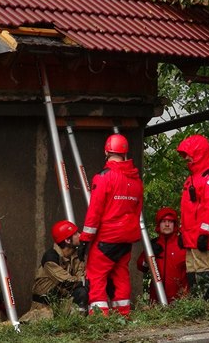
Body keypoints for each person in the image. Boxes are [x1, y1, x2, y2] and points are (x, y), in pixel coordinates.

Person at [78, 134, 143, 316]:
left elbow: (94, 212)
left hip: (106, 238)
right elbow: (136, 211)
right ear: (125, 153)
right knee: (121, 275)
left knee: (96, 277)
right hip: (126, 238)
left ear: (106, 151)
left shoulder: (103, 177)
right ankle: (123, 314)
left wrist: (85, 240)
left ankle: (100, 318)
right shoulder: (136, 181)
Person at [177, 134, 209, 302]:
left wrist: (205, 233)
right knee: (193, 272)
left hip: (204, 237)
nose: (187, 158)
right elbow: (188, 211)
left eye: (188, 154)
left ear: (198, 153)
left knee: (206, 271)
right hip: (192, 237)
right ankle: (200, 306)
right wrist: (183, 233)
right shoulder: (192, 178)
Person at [31, 220, 87, 312]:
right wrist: (83, 281)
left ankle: (79, 322)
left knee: (82, 291)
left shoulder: (75, 255)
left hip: (62, 303)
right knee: (82, 289)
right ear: (67, 240)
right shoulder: (51, 258)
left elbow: (81, 275)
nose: (80, 235)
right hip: (44, 310)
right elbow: (67, 282)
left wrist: (82, 281)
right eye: (76, 234)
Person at [136, 207, 188, 303]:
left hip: (180, 303)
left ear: (175, 224)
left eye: (170, 221)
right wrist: (148, 257)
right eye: (164, 221)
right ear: (159, 224)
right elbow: (141, 266)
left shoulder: (183, 244)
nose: (167, 224)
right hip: (156, 300)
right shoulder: (152, 245)